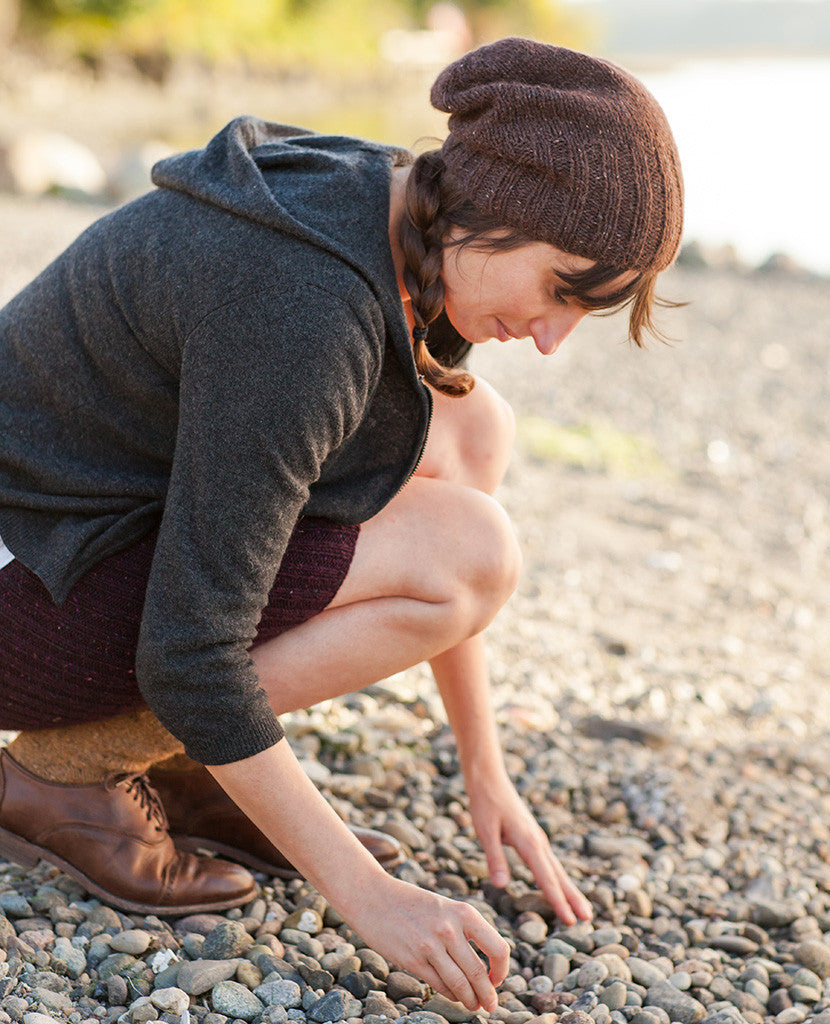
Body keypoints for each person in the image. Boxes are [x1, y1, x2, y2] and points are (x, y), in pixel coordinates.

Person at [0, 37, 683, 1010]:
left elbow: (458, 459)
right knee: (469, 559)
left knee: (469, 418)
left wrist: (484, 772)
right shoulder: (307, 306)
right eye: (562, 290)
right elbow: (191, 653)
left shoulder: (400, 207)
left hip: (80, 525)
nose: (550, 336)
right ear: (503, 209)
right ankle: (66, 774)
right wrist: (369, 899)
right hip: (23, 574)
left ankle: (191, 761)